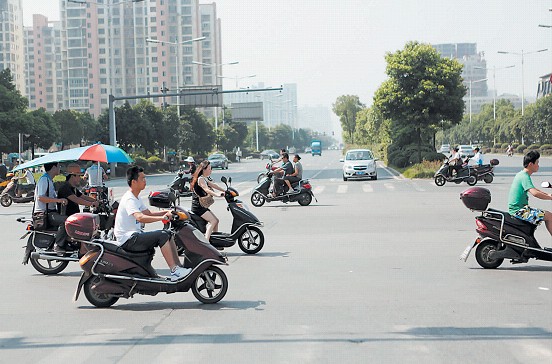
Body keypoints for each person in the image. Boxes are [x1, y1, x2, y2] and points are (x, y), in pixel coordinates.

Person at [113, 166, 191, 280]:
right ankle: (174, 270)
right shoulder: (129, 199)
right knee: (162, 235)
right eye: (142, 179)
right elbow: (140, 217)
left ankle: (178, 267)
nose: (145, 181)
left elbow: (148, 213)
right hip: (128, 239)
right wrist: (162, 218)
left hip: (134, 236)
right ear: (134, 182)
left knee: (168, 234)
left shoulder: (136, 197)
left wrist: (169, 211)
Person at [508, 151, 552, 236]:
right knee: (550, 216)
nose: (538, 165)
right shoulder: (524, 176)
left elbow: (534, 189)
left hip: (520, 209)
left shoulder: (521, 174)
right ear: (531, 164)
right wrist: (550, 198)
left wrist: (548, 195)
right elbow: (535, 193)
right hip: (520, 211)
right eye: (537, 163)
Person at [34, 162, 69, 252]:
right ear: (54, 167)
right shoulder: (44, 180)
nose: (59, 168)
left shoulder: (49, 180)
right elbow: (40, 197)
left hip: (51, 212)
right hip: (45, 213)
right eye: (58, 166)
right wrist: (58, 200)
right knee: (66, 221)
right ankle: (58, 245)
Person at [191, 160, 225, 241]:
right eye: (209, 168)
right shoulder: (200, 179)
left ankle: (216, 242)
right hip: (198, 207)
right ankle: (206, 243)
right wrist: (217, 194)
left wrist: (225, 191)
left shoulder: (204, 178)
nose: (211, 170)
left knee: (216, 221)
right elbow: (206, 189)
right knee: (213, 221)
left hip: (202, 206)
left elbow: (213, 185)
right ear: (204, 169)